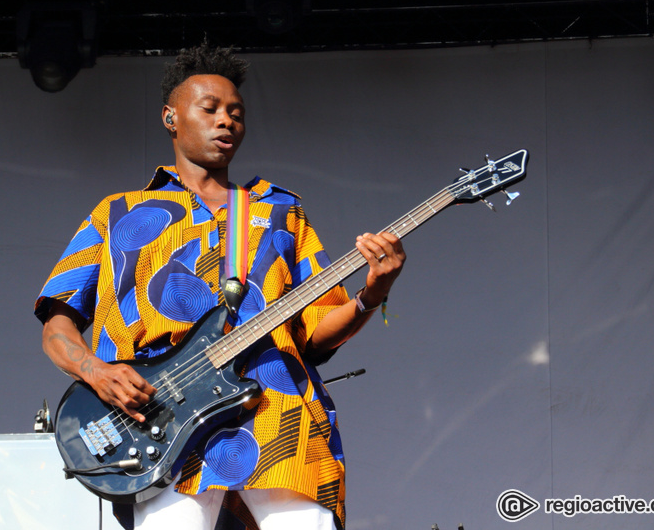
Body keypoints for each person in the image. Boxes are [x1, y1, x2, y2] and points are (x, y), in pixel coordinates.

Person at [35, 43, 405, 530]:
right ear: (171, 118)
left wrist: (372, 293)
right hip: (160, 419)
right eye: (209, 109)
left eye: (236, 113)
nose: (226, 121)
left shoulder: (279, 211)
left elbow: (316, 335)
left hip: (277, 410)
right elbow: (57, 322)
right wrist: (97, 372)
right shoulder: (117, 214)